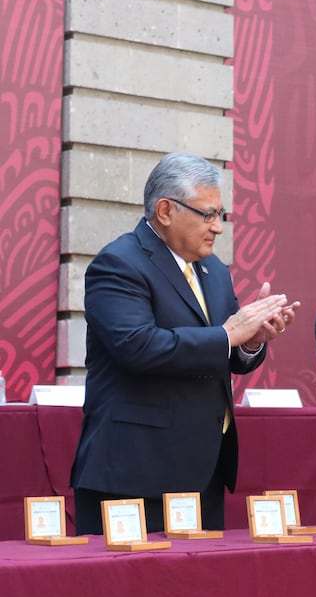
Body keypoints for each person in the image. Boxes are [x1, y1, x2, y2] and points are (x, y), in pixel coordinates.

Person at [71, 152, 299, 535]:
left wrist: (250, 342)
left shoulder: (214, 272)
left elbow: (225, 354)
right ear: (165, 210)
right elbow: (137, 346)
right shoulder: (119, 263)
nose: (218, 228)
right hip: (136, 472)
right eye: (208, 214)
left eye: (221, 216)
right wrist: (229, 334)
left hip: (203, 469)